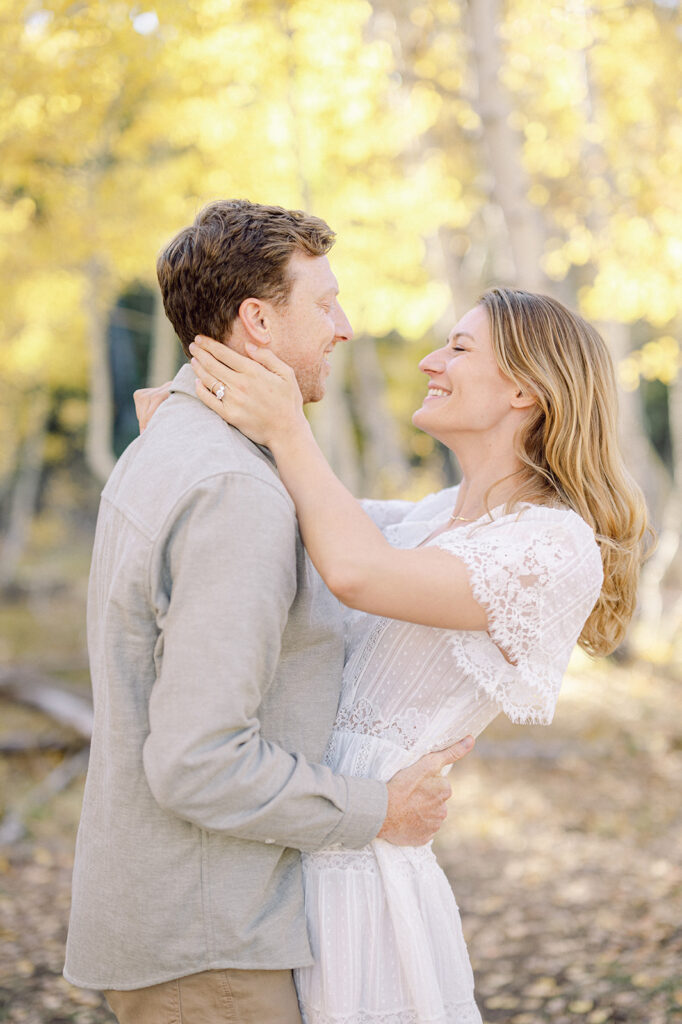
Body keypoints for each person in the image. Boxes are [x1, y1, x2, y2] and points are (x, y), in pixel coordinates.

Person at [187, 286, 650, 1024]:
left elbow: (358, 573)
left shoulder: (551, 546)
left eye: (460, 348)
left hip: (361, 874)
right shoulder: (434, 515)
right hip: (306, 831)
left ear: (526, 389)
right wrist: (195, 415)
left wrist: (288, 429)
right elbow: (301, 512)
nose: (433, 360)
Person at [63, 200, 475, 1024]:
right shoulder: (235, 491)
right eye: (323, 303)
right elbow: (197, 760)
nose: (345, 325)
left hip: (190, 930)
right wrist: (378, 810)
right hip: (211, 952)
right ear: (257, 320)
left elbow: (370, 529)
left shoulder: (181, 447)